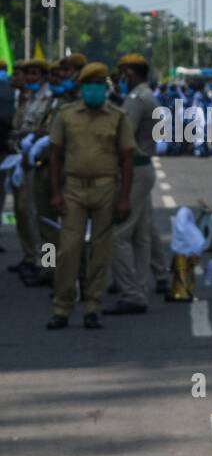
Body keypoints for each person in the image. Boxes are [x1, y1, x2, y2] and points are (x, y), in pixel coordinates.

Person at [45, 63, 134, 330]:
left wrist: (124, 198)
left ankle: (93, 306)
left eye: (100, 84)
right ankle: (62, 307)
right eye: (90, 84)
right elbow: (55, 155)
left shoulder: (117, 116)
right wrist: (56, 193)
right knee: (68, 250)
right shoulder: (66, 115)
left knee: (100, 251)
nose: (95, 89)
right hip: (73, 188)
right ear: (82, 87)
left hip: (106, 188)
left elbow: (127, 158)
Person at [106, 53, 162, 315]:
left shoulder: (137, 99)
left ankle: (130, 291)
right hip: (143, 167)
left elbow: (121, 136)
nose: (120, 79)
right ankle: (138, 288)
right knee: (140, 236)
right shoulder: (144, 96)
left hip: (134, 169)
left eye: (122, 74)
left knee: (119, 234)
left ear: (131, 73)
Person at [9, 59, 54, 285]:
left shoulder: (48, 98)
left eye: (33, 74)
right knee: (26, 213)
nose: (28, 78)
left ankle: (46, 265)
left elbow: (44, 131)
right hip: (24, 159)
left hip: (42, 163)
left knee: (42, 220)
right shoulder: (28, 97)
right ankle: (34, 258)